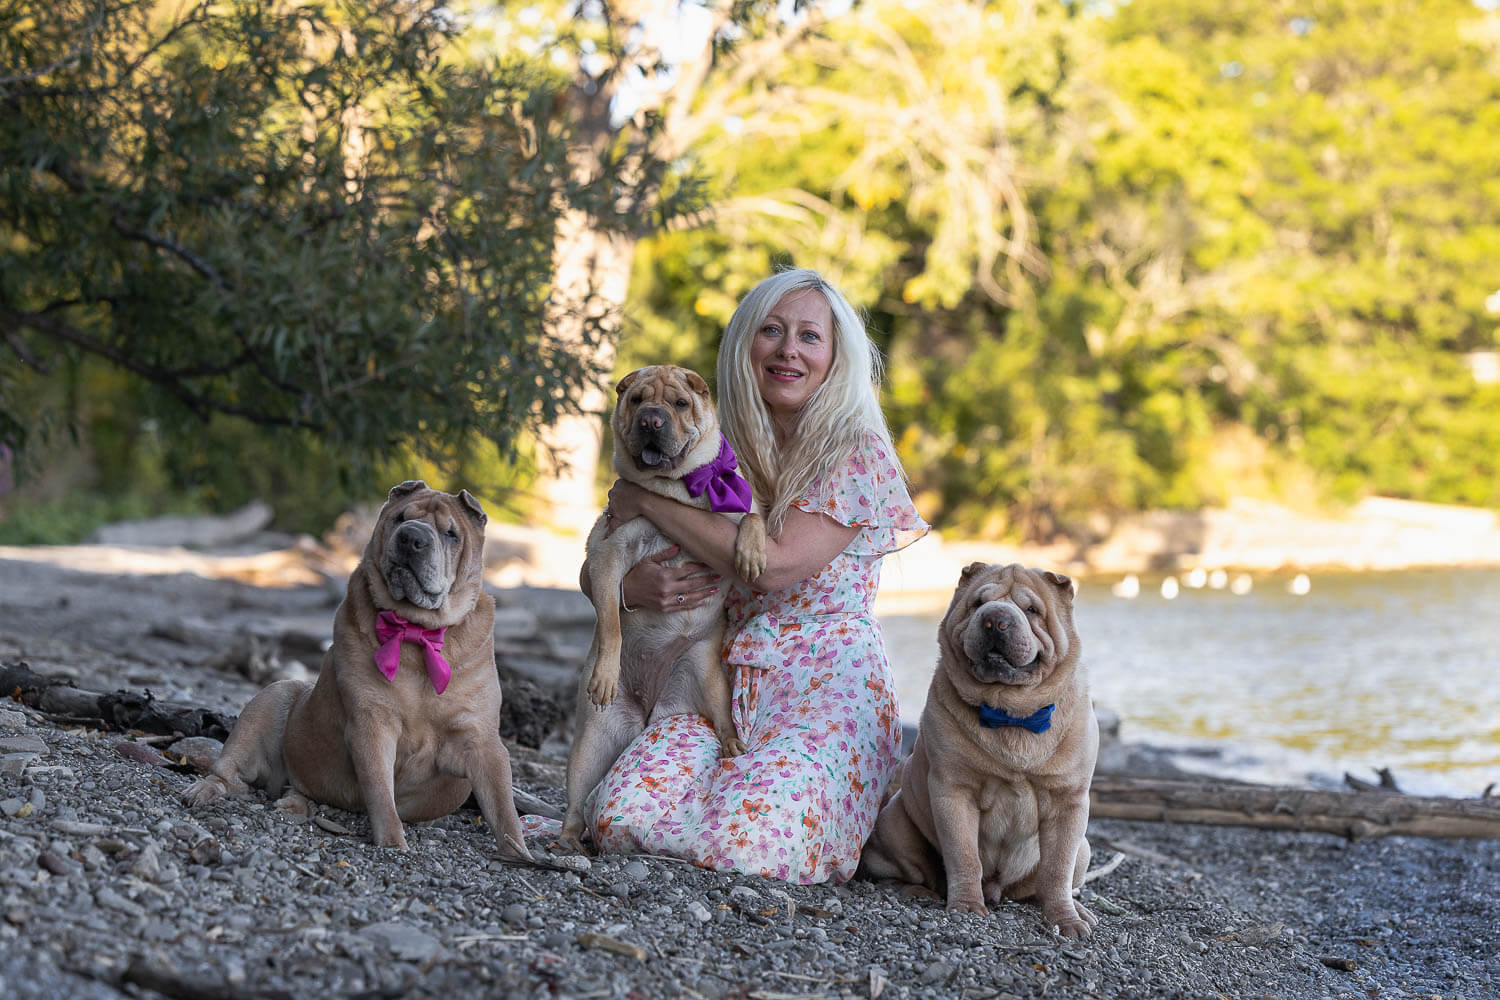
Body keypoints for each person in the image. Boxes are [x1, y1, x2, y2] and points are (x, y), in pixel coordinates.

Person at [564, 268, 927, 884]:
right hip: (714, 680)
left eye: (809, 336)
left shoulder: (856, 450)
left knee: (754, 840)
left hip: (823, 687)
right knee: (619, 818)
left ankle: (831, 807)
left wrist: (647, 499)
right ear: (744, 344)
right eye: (772, 331)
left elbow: (774, 568)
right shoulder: (706, 437)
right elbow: (601, 558)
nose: (789, 351)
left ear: (836, 356)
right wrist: (626, 591)